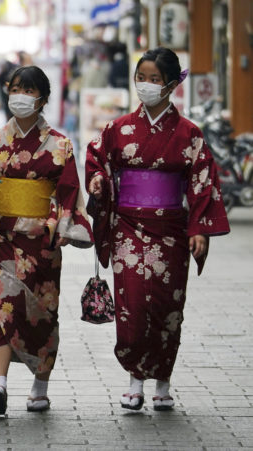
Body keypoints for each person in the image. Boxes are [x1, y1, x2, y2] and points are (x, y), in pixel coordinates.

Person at [86, 47, 230, 411]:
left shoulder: (189, 133)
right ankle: (135, 379)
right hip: (128, 227)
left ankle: (163, 380)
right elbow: (96, 160)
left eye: (154, 79)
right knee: (132, 304)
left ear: (170, 84)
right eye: (142, 78)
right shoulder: (118, 129)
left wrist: (198, 227)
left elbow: (202, 181)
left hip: (170, 229)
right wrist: (99, 181)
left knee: (168, 306)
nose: (146, 85)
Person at [0, 65, 93, 415]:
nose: (19, 96)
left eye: (28, 90)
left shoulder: (60, 145)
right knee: (1, 308)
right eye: (15, 88)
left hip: (42, 241)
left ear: (43, 99)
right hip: (2, 238)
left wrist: (61, 224)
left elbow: (68, 193)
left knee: (41, 313)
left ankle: (40, 385)